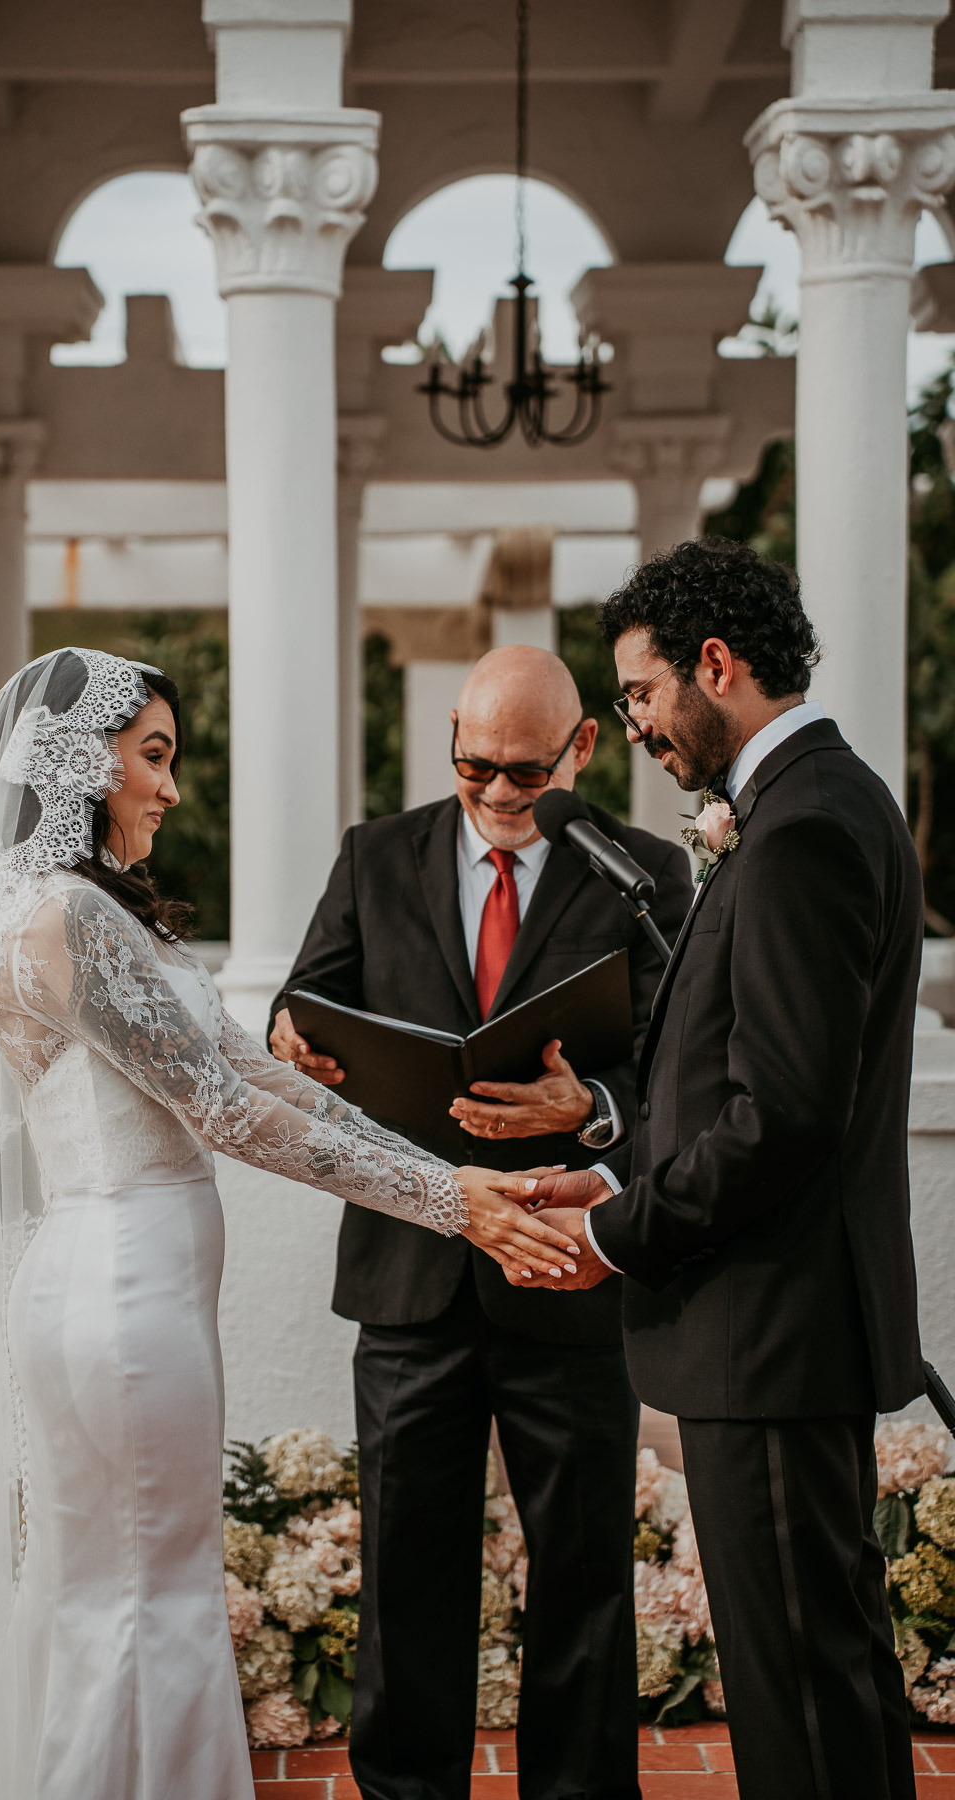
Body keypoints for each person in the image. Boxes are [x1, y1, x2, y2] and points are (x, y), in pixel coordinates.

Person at [0, 648, 578, 1800]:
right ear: (80, 760)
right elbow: (226, 1113)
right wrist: (454, 1207)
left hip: (134, 1294)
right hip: (116, 1297)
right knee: (146, 1595)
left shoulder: (107, 916)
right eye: (153, 757)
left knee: (127, 1587)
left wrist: (453, 1180)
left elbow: (260, 1073)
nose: (171, 787)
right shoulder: (62, 921)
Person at [528, 539, 926, 1800]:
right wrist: (618, 1176)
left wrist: (614, 1235)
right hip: (784, 1328)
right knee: (830, 1672)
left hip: (770, 1329)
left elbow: (785, 1117)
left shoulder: (802, 827)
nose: (634, 724)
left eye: (641, 692)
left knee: (798, 1692)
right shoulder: (818, 801)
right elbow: (732, 1084)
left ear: (716, 664)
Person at [269, 646, 693, 1800]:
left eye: (527, 771)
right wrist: (290, 1037)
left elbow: (680, 1069)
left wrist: (591, 1107)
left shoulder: (644, 874)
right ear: (451, 739)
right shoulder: (375, 855)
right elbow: (305, 1001)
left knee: (584, 1577)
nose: (501, 792)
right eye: (476, 766)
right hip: (410, 1274)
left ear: (582, 748)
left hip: (568, 1271)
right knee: (407, 1570)